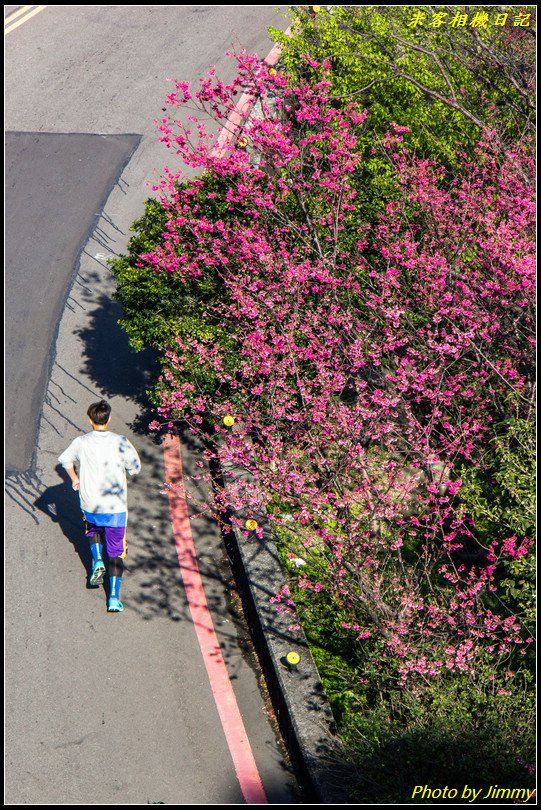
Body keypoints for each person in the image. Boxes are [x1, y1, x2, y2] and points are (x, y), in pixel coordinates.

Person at [58, 400, 141, 612]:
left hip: (89, 503)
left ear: (90, 420)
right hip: (115, 507)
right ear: (109, 419)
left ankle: (96, 561)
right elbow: (134, 469)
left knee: (92, 529)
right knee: (116, 551)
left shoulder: (81, 442)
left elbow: (65, 460)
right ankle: (113, 597)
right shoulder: (121, 441)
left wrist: (75, 478)